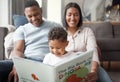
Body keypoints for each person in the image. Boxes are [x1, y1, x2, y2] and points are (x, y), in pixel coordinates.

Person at [0, 0, 61, 82]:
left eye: (36, 14)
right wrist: (18, 65)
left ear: (41, 10)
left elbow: (62, 46)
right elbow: (18, 50)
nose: (34, 18)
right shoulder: (22, 29)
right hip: (25, 61)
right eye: (30, 16)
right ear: (25, 15)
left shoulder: (55, 26)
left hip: (46, 64)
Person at [62, 2, 113, 82]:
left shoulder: (87, 31)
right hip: (68, 69)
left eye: (76, 15)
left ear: (80, 17)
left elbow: (93, 51)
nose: (72, 18)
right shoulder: (61, 34)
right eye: (69, 14)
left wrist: (93, 71)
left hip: (89, 66)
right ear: (65, 16)